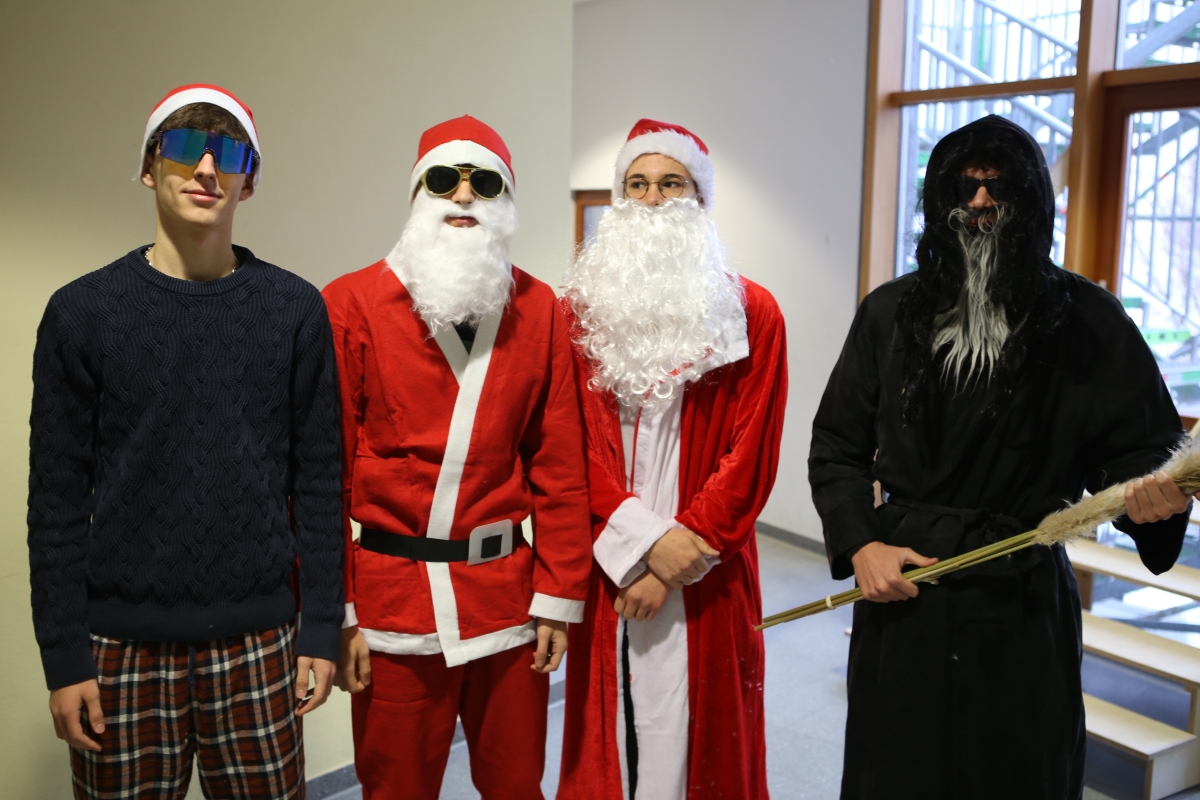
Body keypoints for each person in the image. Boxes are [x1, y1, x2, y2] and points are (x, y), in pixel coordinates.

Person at [809, 114, 1193, 800]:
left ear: (1033, 198)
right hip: (907, 587)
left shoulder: (1089, 318)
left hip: (1021, 592)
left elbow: (1140, 455)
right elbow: (837, 446)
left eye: (1001, 185)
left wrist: (1150, 503)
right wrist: (862, 543)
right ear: (940, 198)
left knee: (1018, 771)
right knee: (898, 769)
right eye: (965, 185)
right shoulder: (889, 312)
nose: (981, 201)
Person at [28, 84, 344, 800]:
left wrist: (322, 627)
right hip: (119, 648)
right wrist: (64, 655)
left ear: (248, 182)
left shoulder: (295, 309)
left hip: (260, 640)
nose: (206, 168)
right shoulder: (81, 313)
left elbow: (320, 482)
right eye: (183, 148)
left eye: (227, 155)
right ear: (149, 168)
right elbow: (55, 500)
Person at [323, 115, 592, 800]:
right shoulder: (351, 304)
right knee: (396, 787)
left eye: (485, 182)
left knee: (515, 785)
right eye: (445, 179)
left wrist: (557, 597)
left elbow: (560, 466)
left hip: (507, 599)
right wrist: (338, 614)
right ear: (419, 194)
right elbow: (323, 476)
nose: (465, 195)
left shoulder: (541, 309)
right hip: (391, 604)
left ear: (507, 199)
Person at [556, 119, 788, 800]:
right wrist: (639, 549)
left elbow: (751, 455)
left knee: (704, 744)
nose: (653, 199)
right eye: (637, 184)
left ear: (701, 198)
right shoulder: (576, 315)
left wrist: (676, 559)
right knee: (616, 735)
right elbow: (568, 447)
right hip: (609, 563)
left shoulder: (753, 313)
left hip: (706, 570)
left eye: (671, 184)